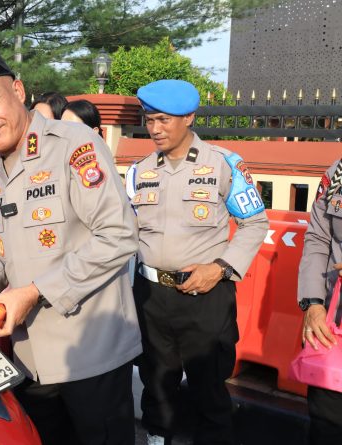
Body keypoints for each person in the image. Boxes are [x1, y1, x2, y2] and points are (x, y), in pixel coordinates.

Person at [0, 48, 141, 445]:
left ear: (18, 90)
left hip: (90, 352)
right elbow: (2, 254)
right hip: (29, 358)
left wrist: (33, 292)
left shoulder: (72, 146)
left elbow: (118, 235)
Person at [127, 79, 269, 445]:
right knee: (156, 387)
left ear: (189, 117)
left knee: (209, 392)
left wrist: (220, 268)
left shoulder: (224, 164)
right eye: (149, 120)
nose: (154, 129)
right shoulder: (138, 171)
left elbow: (255, 223)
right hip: (151, 297)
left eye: (163, 120)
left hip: (205, 296)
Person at [298, 160, 342, 444]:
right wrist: (313, 304)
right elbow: (317, 239)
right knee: (326, 427)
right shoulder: (337, 173)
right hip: (332, 327)